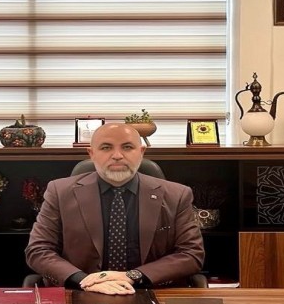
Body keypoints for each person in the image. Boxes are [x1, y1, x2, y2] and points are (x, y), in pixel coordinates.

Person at [25, 123, 204, 295]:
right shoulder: (59, 192)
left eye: (127, 147)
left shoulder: (176, 195)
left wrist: (132, 276)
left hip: (151, 291)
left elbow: (191, 254)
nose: (117, 155)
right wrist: (84, 281)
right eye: (106, 148)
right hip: (79, 290)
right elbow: (39, 250)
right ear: (91, 153)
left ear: (141, 152)